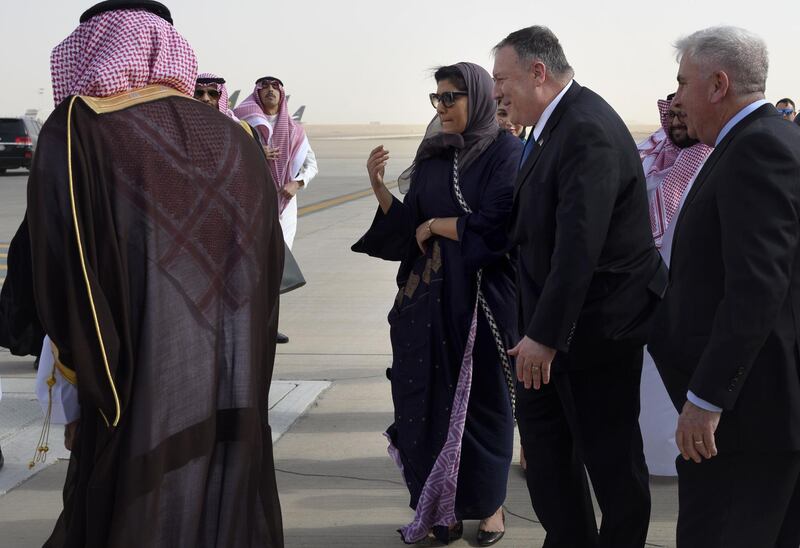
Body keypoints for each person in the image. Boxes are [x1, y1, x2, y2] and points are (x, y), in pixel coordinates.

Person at [27, 2, 285, 546]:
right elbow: (267, 268)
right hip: (226, 391)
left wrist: (81, 393)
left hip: (129, 393)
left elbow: (63, 276)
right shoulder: (237, 138)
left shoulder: (80, 129)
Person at [493, 26, 666, 548]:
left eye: (503, 80)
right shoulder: (553, 125)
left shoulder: (584, 126)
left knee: (612, 465)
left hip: (592, 334)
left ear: (537, 73)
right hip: (549, 333)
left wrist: (544, 335)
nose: (497, 92)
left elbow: (579, 245)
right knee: (547, 460)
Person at [353, 62, 521, 546]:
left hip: (482, 300)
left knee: (483, 405)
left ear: (480, 99)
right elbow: (412, 229)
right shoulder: (434, 156)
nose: (442, 107)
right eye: (437, 98)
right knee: (427, 405)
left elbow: (500, 224)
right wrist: (381, 189)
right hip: (428, 303)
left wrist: (438, 227)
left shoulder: (505, 152)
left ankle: (489, 507)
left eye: (452, 97)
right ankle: (440, 508)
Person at [648, 26, 800, 548]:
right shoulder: (759, 140)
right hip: (754, 408)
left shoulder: (757, 148)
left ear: (717, 84)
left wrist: (707, 398)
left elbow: (757, 288)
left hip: (746, 416)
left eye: (682, 83)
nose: (676, 99)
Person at [637, 94, 712, 476]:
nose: (678, 123)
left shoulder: (713, 159)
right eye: (675, 116)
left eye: (686, 116)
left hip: (687, 291)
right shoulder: (649, 150)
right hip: (642, 288)